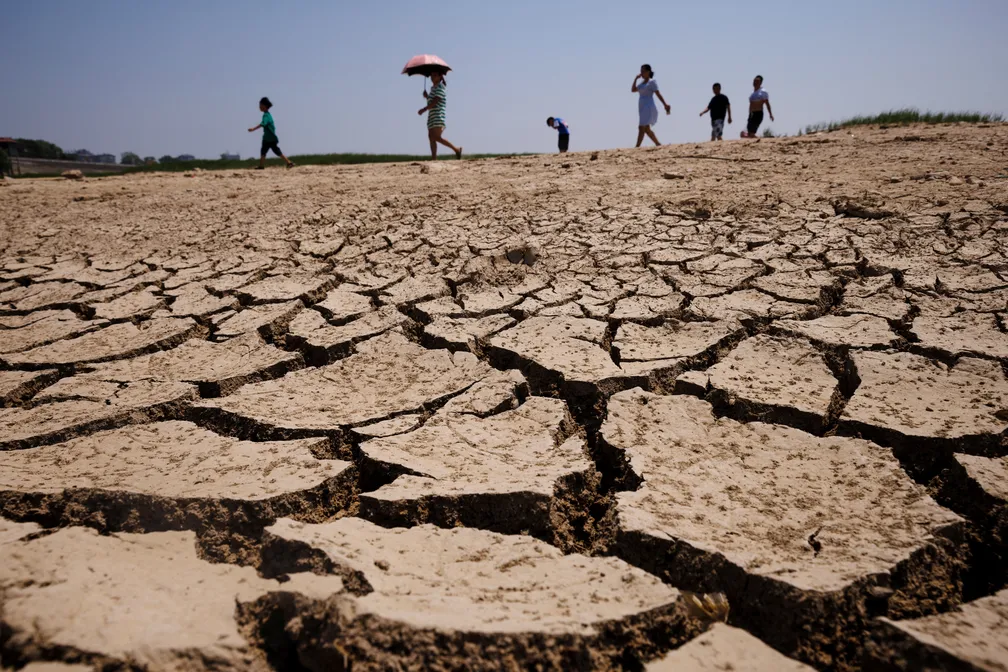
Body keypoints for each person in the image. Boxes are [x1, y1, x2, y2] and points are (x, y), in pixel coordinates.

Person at [418, 71, 463, 160]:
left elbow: (435, 101)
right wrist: (427, 96)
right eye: (431, 75)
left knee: (436, 137)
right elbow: (432, 101)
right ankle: (434, 158)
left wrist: (424, 109)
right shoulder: (433, 88)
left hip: (438, 115)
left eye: (435, 75)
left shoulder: (440, 87)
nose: (432, 77)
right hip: (432, 116)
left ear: (439, 77)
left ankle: (456, 149)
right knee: (431, 137)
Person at [248, 97, 294, 169]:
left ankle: (289, 162)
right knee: (266, 151)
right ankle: (261, 166)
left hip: (270, 137)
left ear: (264, 106)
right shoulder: (268, 115)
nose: (259, 107)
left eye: (260, 105)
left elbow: (263, 123)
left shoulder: (266, 115)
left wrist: (253, 129)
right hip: (267, 137)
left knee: (275, 151)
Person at [631, 64, 670, 147]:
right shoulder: (641, 83)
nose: (641, 73)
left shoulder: (652, 82)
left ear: (648, 72)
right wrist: (635, 79)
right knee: (647, 129)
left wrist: (665, 104)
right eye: (641, 71)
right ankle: (658, 144)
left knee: (641, 127)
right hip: (642, 107)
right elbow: (633, 90)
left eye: (643, 71)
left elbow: (658, 94)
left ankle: (637, 146)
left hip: (648, 107)